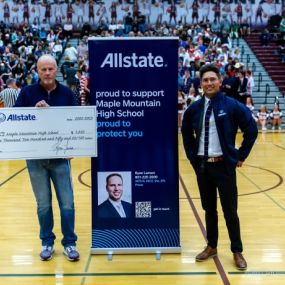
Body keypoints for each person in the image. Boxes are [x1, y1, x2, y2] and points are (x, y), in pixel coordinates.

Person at [181, 64, 258, 271]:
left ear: (220, 81)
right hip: (203, 167)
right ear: (200, 83)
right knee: (209, 209)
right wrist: (192, 158)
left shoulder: (231, 105)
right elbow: (186, 134)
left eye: (212, 79)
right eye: (205, 80)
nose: (209, 83)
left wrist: (240, 155)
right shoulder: (194, 109)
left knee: (230, 211)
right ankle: (211, 246)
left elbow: (251, 128)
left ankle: (237, 250)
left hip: (224, 167)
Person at [14, 54, 80, 262]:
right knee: (43, 204)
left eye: (51, 68)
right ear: (37, 71)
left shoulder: (68, 94)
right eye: (44, 69)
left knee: (67, 203)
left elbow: (76, 124)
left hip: (61, 158)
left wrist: (73, 147)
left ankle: (69, 242)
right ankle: (47, 242)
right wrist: (33, 113)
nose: (48, 72)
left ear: (56, 70)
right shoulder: (27, 93)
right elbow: (15, 120)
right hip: (35, 160)